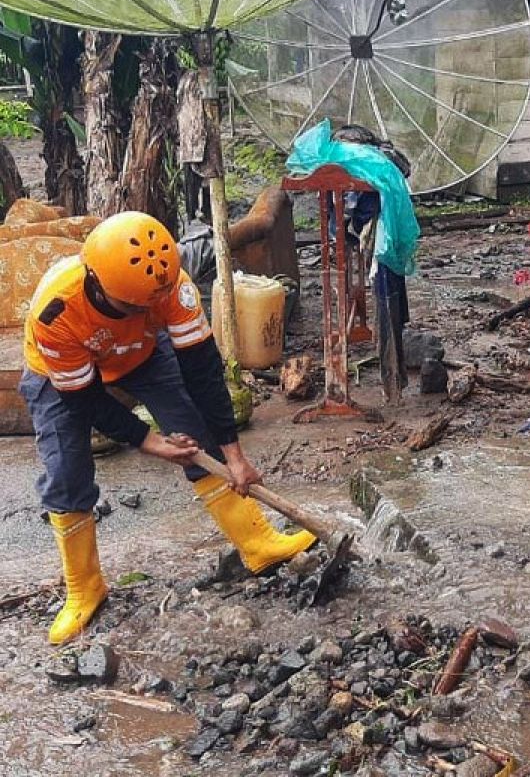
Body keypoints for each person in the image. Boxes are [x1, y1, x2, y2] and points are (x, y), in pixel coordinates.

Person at [20, 212, 315, 644]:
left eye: (149, 305)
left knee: (196, 429)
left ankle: (258, 543)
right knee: (67, 470)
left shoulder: (171, 285)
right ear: (100, 284)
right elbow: (84, 398)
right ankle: (85, 588)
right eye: (134, 307)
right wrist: (148, 441)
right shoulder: (57, 313)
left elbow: (202, 370)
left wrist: (234, 455)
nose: (145, 310)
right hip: (60, 374)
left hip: (139, 353)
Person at [328, 124, 417, 403]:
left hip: (378, 236)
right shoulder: (383, 158)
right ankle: (393, 377)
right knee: (388, 298)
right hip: (385, 236)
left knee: (385, 301)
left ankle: (392, 381)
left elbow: (348, 209)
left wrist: (341, 228)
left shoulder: (359, 165)